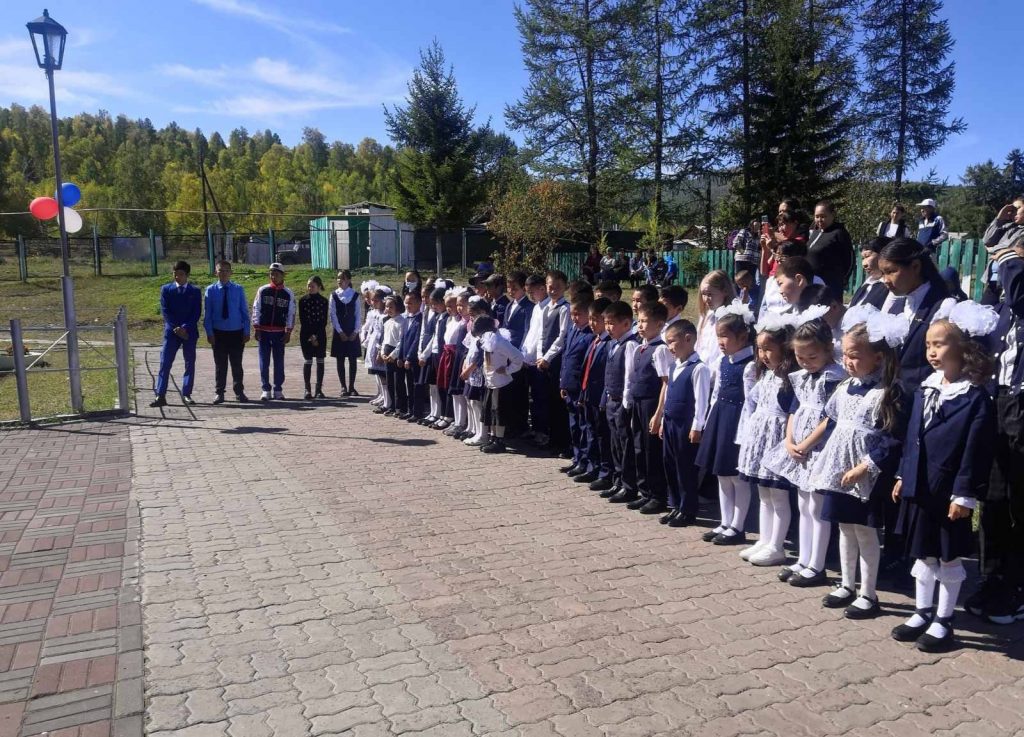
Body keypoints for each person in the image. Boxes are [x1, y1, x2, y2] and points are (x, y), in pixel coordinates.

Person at [892, 301, 996, 652]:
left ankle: (944, 619)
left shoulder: (975, 398)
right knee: (923, 553)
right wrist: (903, 473)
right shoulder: (927, 388)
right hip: (920, 484)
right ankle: (922, 611)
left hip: (949, 491)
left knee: (948, 555)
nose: (932, 352)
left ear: (964, 349)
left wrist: (964, 494)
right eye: (928, 345)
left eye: (939, 344)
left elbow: (975, 451)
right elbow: (913, 436)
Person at [808, 311, 905, 620]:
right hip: (839, 471)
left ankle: (868, 593)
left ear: (877, 357)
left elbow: (891, 438)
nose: (847, 361)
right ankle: (847, 584)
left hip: (864, 474)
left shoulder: (886, 392)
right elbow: (833, 423)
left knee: (864, 532)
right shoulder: (845, 387)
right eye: (845, 355)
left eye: (854, 356)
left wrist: (866, 466)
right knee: (844, 528)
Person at [763, 319, 847, 587]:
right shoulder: (801, 377)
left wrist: (807, 443)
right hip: (799, 449)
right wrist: (789, 441)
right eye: (800, 357)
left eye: (812, 356)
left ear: (828, 349)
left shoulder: (834, 377)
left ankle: (817, 565)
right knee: (803, 505)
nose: (806, 362)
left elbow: (831, 418)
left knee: (816, 507)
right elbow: (794, 409)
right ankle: (804, 558)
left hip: (820, 449)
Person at [972, 230, 1024, 624]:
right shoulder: (1008, 296)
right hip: (1001, 398)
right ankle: (992, 578)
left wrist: (1009, 258)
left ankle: (1016, 588)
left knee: (1019, 500)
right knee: (993, 498)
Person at [736, 315, 797, 566]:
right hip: (761, 440)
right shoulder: (766, 375)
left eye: (768, 349)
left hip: (777, 441)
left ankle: (776, 545)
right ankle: (765, 539)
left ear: (784, 348)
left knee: (778, 495)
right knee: (764, 494)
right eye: (759, 349)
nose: (763, 355)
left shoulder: (790, 379)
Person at [696, 303, 757, 546]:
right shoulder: (724, 361)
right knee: (722, 474)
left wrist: (747, 432)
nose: (720, 342)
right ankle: (725, 521)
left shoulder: (749, 365)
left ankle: (738, 526)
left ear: (742, 337)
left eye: (725, 336)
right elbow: (716, 392)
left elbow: (751, 401)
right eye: (718, 336)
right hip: (721, 417)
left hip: (737, 421)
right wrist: (709, 419)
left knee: (736, 477)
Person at [877, 237, 953, 393]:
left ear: (915, 266)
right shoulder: (897, 305)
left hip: (924, 396)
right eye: (883, 273)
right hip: (894, 397)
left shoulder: (943, 307)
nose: (885, 280)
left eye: (891, 271)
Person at [657, 319, 710, 527]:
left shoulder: (698, 368)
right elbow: (669, 394)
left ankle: (688, 509)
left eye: (672, 341)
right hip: (670, 422)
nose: (669, 347)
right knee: (669, 463)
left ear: (688, 339)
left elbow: (701, 400)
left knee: (685, 467)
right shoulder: (673, 366)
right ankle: (675, 504)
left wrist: (697, 426)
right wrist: (663, 419)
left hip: (685, 426)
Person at [625, 301, 672, 515]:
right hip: (638, 402)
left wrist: (658, 413)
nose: (640, 325)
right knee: (639, 448)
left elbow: (665, 383)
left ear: (660, 324)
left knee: (652, 450)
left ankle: (657, 496)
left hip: (651, 404)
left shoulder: (660, 349)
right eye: (639, 321)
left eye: (645, 321)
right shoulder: (639, 347)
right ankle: (644, 492)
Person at [603, 300, 641, 504]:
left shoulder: (630, 345)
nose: (608, 328)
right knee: (615, 444)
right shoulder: (613, 344)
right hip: (611, 400)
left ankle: (629, 486)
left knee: (625, 445)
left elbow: (629, 376)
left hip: (622, 402)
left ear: (626, 324)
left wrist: (626, 403)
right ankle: (617, 481)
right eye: (606, 323)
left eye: (612, 323)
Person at [153, 260, 202, 408]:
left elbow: (196, 313)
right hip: (172, 332)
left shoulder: (195, 291)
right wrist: (176, 327)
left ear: (187, 275)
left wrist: (185, 328)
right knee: (165, 362)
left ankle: (186, 394)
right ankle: (160, 395)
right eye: (175, 274)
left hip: (189, 332)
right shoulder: (166, 289)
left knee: (189, 363)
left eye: (180, 274)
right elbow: (165, 311)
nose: (177, 277)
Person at [474, 314, 525, 454]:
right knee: (491, 412)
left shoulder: (500, 342)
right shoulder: (487, 340)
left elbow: (518, 357)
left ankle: (500, 441)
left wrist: (507, 370)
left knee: (499, 413)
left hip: (501, 383)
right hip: (490, 382)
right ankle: (493, 438)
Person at [578, 297, 613, 490]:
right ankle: (592, 466)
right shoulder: (595, 341)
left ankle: (605, 472)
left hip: (601, 398)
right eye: (590, 318)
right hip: (588, 396)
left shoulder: (609, 344)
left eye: (596, 319)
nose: (592, 323)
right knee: (590, 432)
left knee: (602, 436)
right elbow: (587, 370)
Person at [203, 260, 249, 404]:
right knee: (220, 365)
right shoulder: (210, 290)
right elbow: (207, 314)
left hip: (236, 332)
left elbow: (244, 311)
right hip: (218, 334)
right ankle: (219, 393)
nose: (223, 273)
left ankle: (239, 392)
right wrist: (209, 333)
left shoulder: (238, 289)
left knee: (237, 364)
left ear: (231, 272)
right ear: (215, 272)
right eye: (220, 270)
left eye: (226, 271)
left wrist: (246, 331)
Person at [559, 293, 596, 477]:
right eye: (572, 314)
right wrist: (562, 383)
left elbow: (586, 365)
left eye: (578, 314)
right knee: (573, 427)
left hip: (580, 389)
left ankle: (585, 462)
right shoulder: (572, 330)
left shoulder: (590, 335)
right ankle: (576, 458)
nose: (574, 318)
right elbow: (566, 357)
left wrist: (582, 390)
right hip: (569, 386)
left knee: (583, 427)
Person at [535, 270, 571, 452]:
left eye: (557, 286)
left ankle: (561, 441)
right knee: (546, 400)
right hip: (543, 361)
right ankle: (550, 437)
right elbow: (542, 335)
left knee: (558, 403)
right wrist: (539, 356)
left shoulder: (565, 308)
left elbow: (562, 337)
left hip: (556, 361)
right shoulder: (546, 308)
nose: (553, 289)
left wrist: (547, 357)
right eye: (550, 286)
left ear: (565, 287)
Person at [252, 262, 295, 401]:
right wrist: (256, 327)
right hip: (264, 331)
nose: (273, 276)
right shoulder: (262, 290)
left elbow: (291, 313)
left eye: (276, 274)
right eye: (271, 273)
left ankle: (278, 389)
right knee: (264, 361)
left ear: (283, 275)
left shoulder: (288, 293)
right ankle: (265, 389)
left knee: (279, 362)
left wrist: (288, 331)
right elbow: (256, 308)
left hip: (279, 333)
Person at [806, 200, 854, 302]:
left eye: (823, 216)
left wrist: (842, 279)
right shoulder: (815, 232)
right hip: (812, 283)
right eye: (817, 216)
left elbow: (849, 259)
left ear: (832, 215)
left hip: (830, 285)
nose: (819, 220)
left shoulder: (839, 233)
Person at [328, 270, 362, 398]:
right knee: (340, 359)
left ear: (348, 280)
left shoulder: (355, 295)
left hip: (352, 331)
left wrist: (356, 331)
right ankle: (343, 386)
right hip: (339, 332)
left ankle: (352, 386)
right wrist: (340, 331)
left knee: (353, 359)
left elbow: (358, 314)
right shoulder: (334, 295)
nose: (339, 280)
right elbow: (333, 315)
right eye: (338, 278)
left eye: (342, 278)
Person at [417, 287, 448, 426]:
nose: (433, 306)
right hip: (433, 354)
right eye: (432, 304)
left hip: (441, 354)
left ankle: (441, 413)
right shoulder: (437, 316)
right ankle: (434, 412)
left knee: (440, 386)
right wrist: (424, 354)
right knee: (432, 385)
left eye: (436, 303)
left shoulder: (446, 317)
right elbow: (433, 338)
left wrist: (425, 354)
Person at [298, 276, 329, 400]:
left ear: (319, 287)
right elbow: (303, 320)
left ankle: (319, 389)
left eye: (312, 286)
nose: (310, 288)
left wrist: (316, 336)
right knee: (308, 360)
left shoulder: (324, 301)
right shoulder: (303, 301)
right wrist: (311, 336)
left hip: (320, 334)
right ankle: (307, 389)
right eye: (308, 285)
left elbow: (323, 321)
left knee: (320, 360)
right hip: (306, 334)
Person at [695, 271, 734, 365]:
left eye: (710, 294)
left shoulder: (732, 319)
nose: (706, 299)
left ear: (725, 291)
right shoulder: (706, 316)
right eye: (703, 294)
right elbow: (699, 345)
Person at [397, 290, 424, 419]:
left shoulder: (420, 319)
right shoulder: (406, 318)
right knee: (408, 385)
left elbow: (416, 340)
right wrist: (400, 356)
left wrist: (409, 357)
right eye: (406, 303)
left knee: (415, 386)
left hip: (414, 358)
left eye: (411, 303)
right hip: (405, 357)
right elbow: (402, 338)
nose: (408, 306)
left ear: (419, 303)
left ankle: (417, 411)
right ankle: (409, 409)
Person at [379, 295, 406, 415]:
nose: (388, 309)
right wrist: (382, 353)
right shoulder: (387, 321)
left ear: (398, 307)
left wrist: (393, 355)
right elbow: (384, 340)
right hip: (387, 351)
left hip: (396, 353)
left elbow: (401, 341)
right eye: (386, 306)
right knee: (390, 381)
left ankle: (401, 407)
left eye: (391, 307)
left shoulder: (402, 321)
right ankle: (392, 406)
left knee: (398, 382)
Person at [849, 237, 890, 309]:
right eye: (863, 258)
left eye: (867, 256)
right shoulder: (867, 284)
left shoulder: (892, 287)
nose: (864, 264)